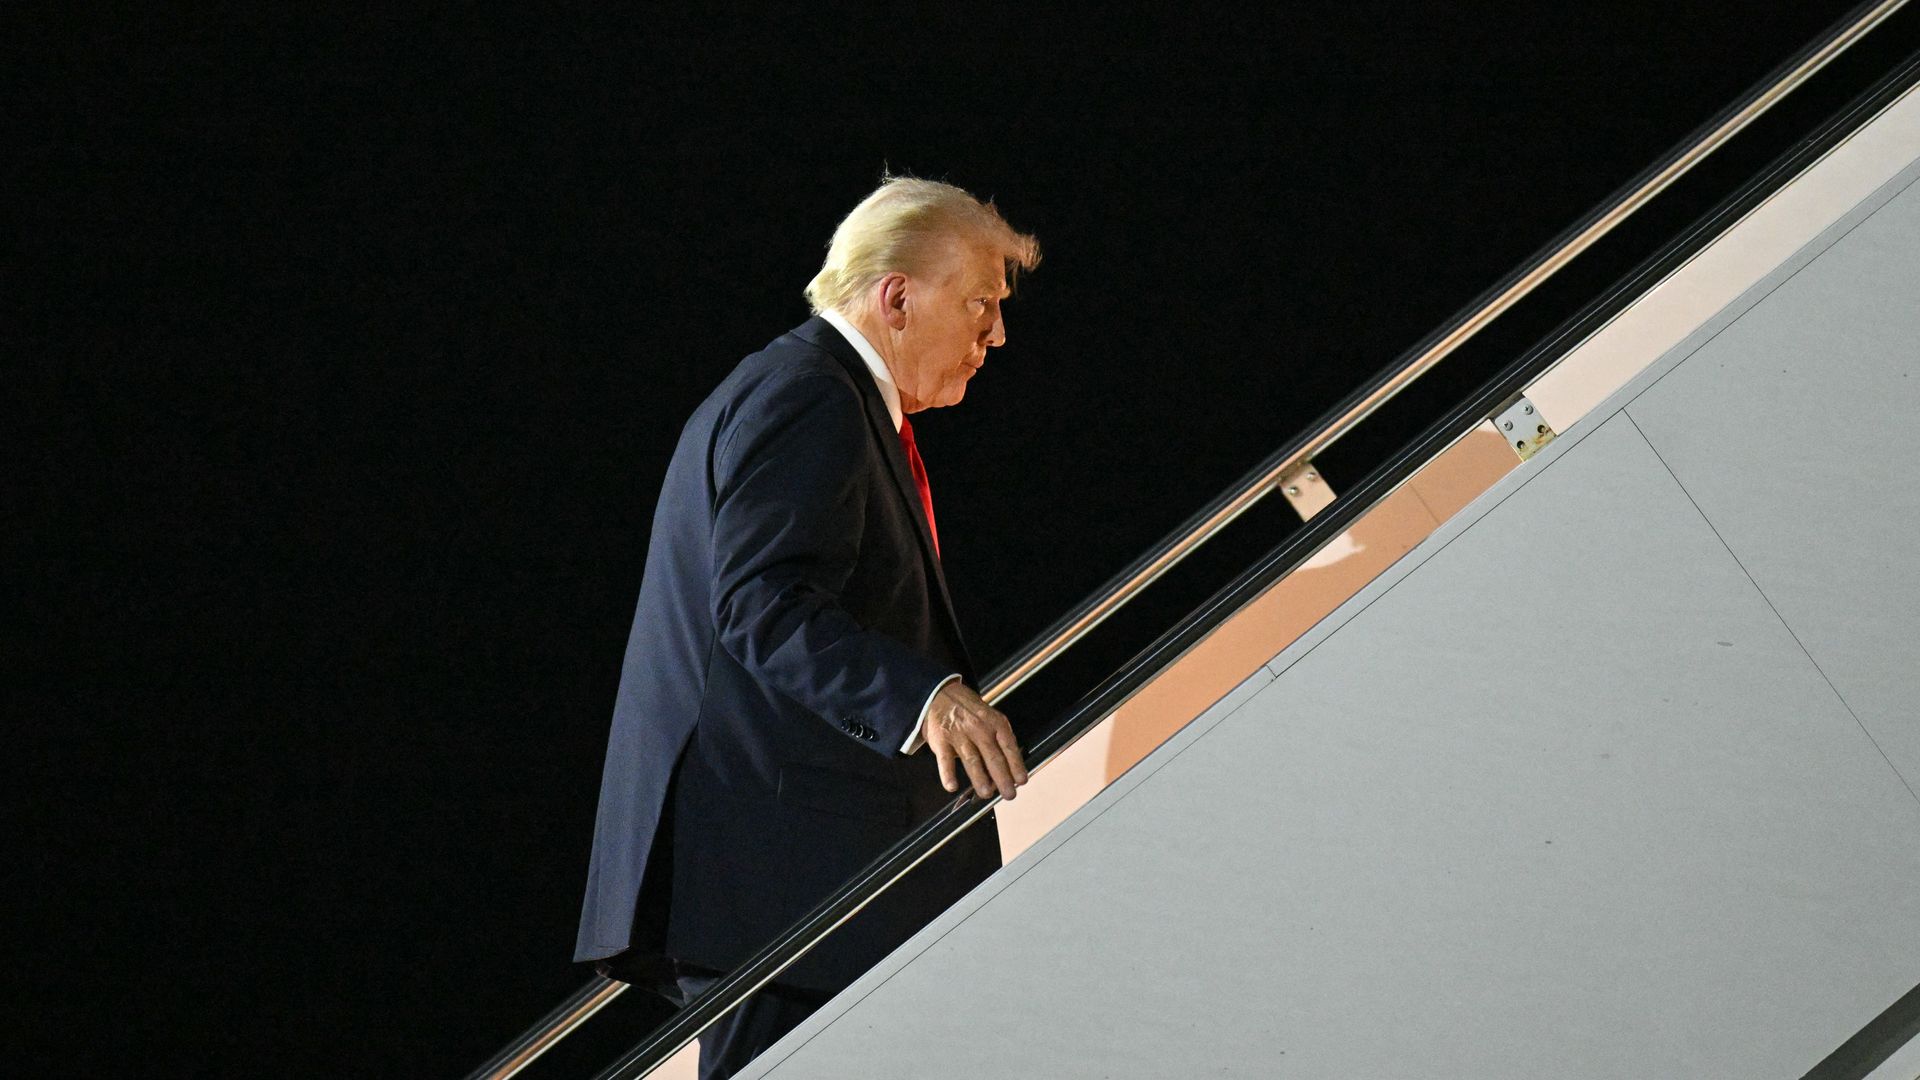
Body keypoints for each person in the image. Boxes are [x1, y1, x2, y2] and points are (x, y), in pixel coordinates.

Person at [574, 176, 1039, 1079]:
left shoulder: (821, 394)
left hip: (798, 886)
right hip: (786, 890)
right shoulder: (809, 394)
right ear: (897, 296)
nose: (996, 335)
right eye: (981, 303)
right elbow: (762, 603)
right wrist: (929, 700)